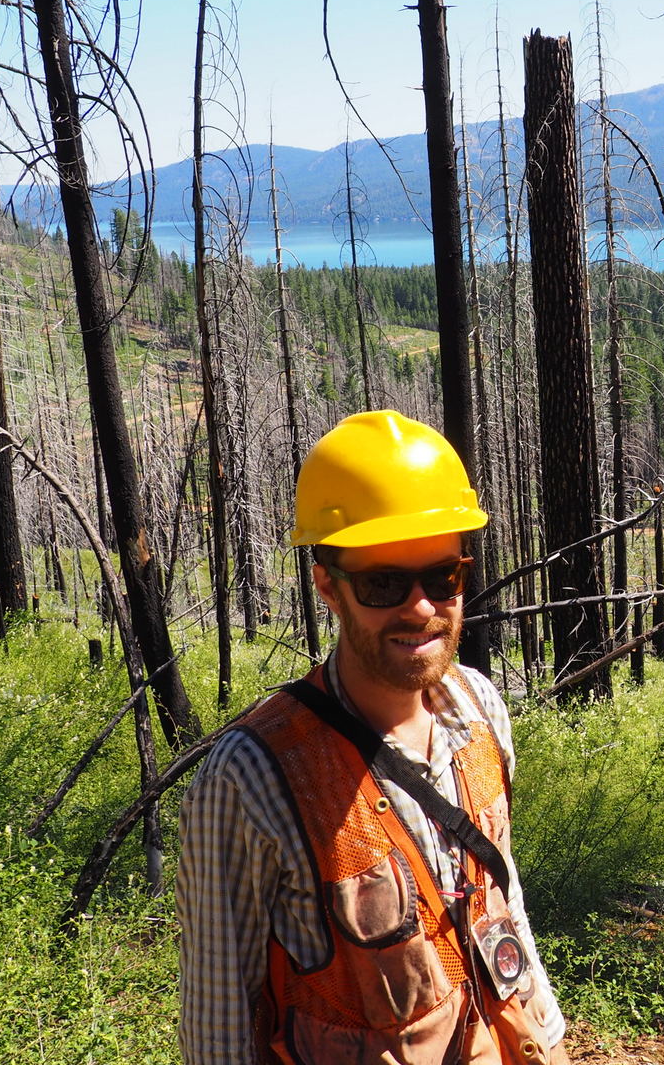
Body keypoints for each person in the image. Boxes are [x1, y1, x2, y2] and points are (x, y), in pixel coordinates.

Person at [178, 410, 569, 1064]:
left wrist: (549, 1039)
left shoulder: (481, 712)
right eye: (383, 582)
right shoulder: (251, 776)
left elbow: (505, 904)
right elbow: (217, 1029)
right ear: (328, 585)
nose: (420, 607)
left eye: (443, 578)